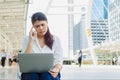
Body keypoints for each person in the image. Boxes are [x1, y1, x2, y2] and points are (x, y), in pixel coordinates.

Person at [21, 12, 63, 80]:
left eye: (43, 24)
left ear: (47, 23)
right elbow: (25, 60)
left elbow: (59, 59)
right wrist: (31, 40)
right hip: (31, 72)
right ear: (33, 27)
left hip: (49, 71)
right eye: (37, 26)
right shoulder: (27, 39)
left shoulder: (55, 39)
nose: (40, 28)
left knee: (47, 77)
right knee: (31, 77)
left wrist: (57, 69)